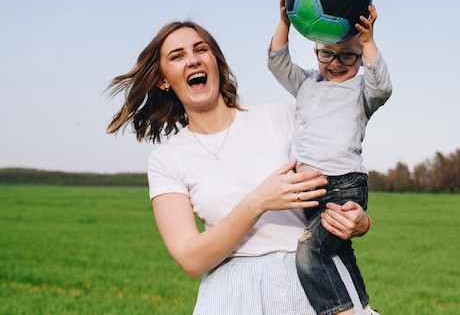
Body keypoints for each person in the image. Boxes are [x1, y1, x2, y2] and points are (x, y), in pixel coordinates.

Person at [106, 20, 372, 314]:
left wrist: (360, 223)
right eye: (177, 56)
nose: (193, 59)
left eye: (200, 49)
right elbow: (190, 259)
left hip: (312, 286)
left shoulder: (278, 117)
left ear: (215, 63)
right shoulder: (167, 159)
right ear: (163, 80)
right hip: (235, 296)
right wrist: (258, 202)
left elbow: (335, 180)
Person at [268, 0, 392, 315]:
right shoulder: (307, 82)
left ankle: (341, 313)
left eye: (347, 55)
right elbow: (277, 63)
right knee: (337, 251)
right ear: (316, 51)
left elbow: (383, 86)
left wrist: (367, 43)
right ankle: (363, 309)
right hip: (310, 191)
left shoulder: (362, 90)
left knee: (311, 253)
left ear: (359, 59)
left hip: (343, 186)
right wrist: (284, 22)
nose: (336, 63)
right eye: (327, 54)